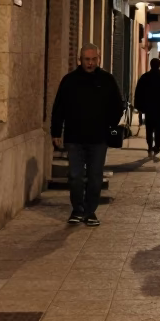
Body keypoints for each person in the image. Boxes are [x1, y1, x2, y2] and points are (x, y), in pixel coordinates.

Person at [51, 43, 125, 227]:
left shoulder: (107, 80)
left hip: (98, 138)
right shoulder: (69, 80)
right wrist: (56, 131)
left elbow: (117, 105)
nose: (90, 63)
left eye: (93, 59)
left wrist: (109, 124)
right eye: (87, 59)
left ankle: (90, 211)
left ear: (98, 59)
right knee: (75, 175)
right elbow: (59, 108)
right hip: (74, 137)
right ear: (80, 60)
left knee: (95, 176)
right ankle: (77, 209)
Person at [134, 58, 160, 161]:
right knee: (158, 129)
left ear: (150, 65)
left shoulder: (145, 77)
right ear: (159, 65)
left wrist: (139, 107)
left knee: (149, 129)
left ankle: (150, 147)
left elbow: (138, 93)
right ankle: (157, 147)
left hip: (149, 109)